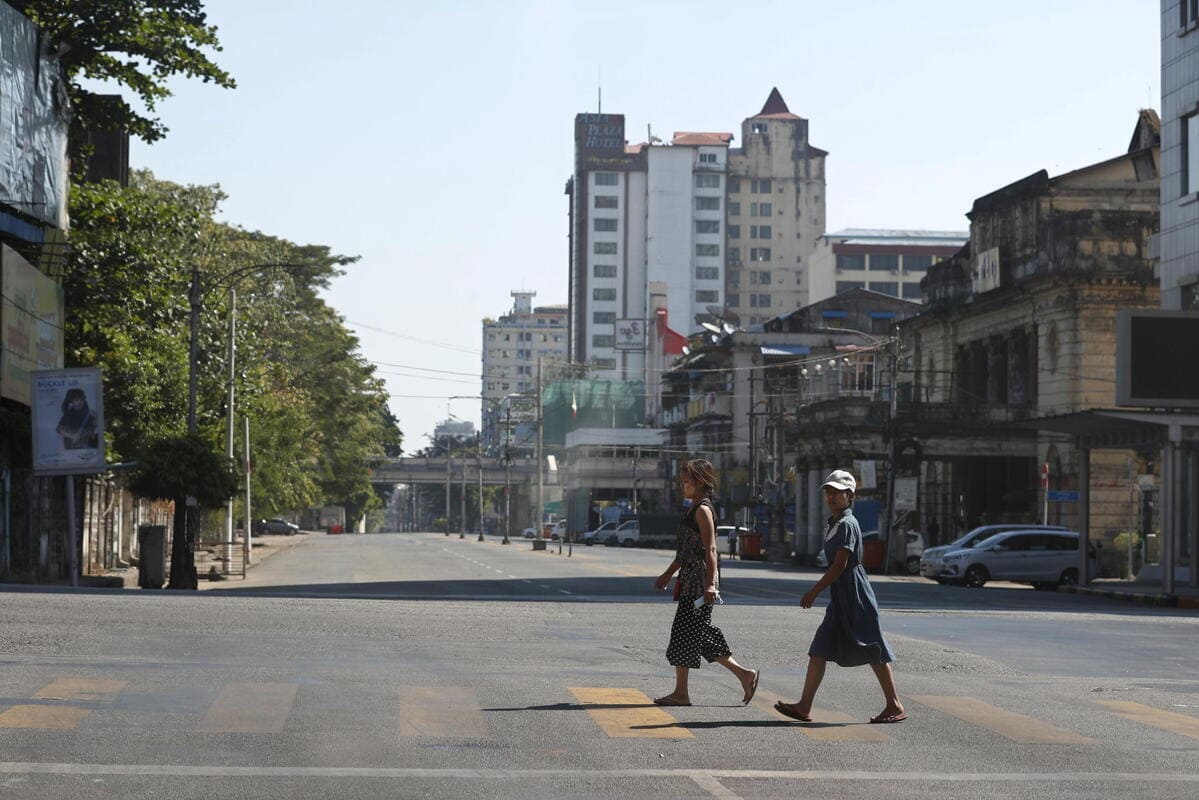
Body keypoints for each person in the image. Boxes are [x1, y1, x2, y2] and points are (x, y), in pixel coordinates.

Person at [774, 469, 907, 724]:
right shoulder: (835, 523)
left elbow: (840, 564)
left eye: (838, 493)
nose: (832, 497)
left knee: (873, 648)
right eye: (829, 492)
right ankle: (804, 706)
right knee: (819, 649)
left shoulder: (847, 524)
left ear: (850, 495)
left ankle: (894, 704)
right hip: (840, 596)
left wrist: (814, 591)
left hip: (855, 595)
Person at [652, 459, 759, 707]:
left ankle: (683, 693)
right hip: (689, 579)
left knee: (686, 633)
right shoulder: (693, 508)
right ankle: (744, 675)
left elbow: (710, 549)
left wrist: (711, 584)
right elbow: (685, 551)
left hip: (699, 584)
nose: (682, 484)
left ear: (700, 481)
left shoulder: (703, 510)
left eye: (686, 480)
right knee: (696, 635)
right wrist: (668, 574)